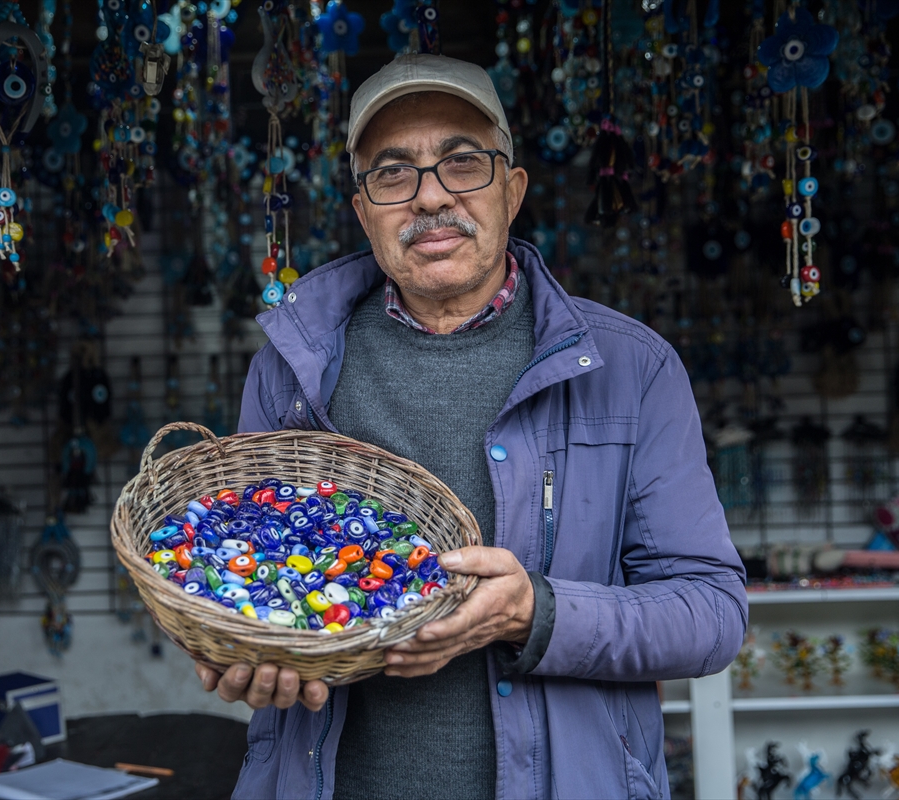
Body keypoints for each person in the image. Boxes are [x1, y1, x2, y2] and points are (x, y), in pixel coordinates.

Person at [194, 54, 748, 799]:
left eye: (462, 162)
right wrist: (247, 651)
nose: (429, 197)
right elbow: (243, 583)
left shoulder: (629, 368)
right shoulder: (293, 370)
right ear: (362, 210)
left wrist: (533, 613)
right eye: (393, 173)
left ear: (512, 190)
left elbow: (711, 615)